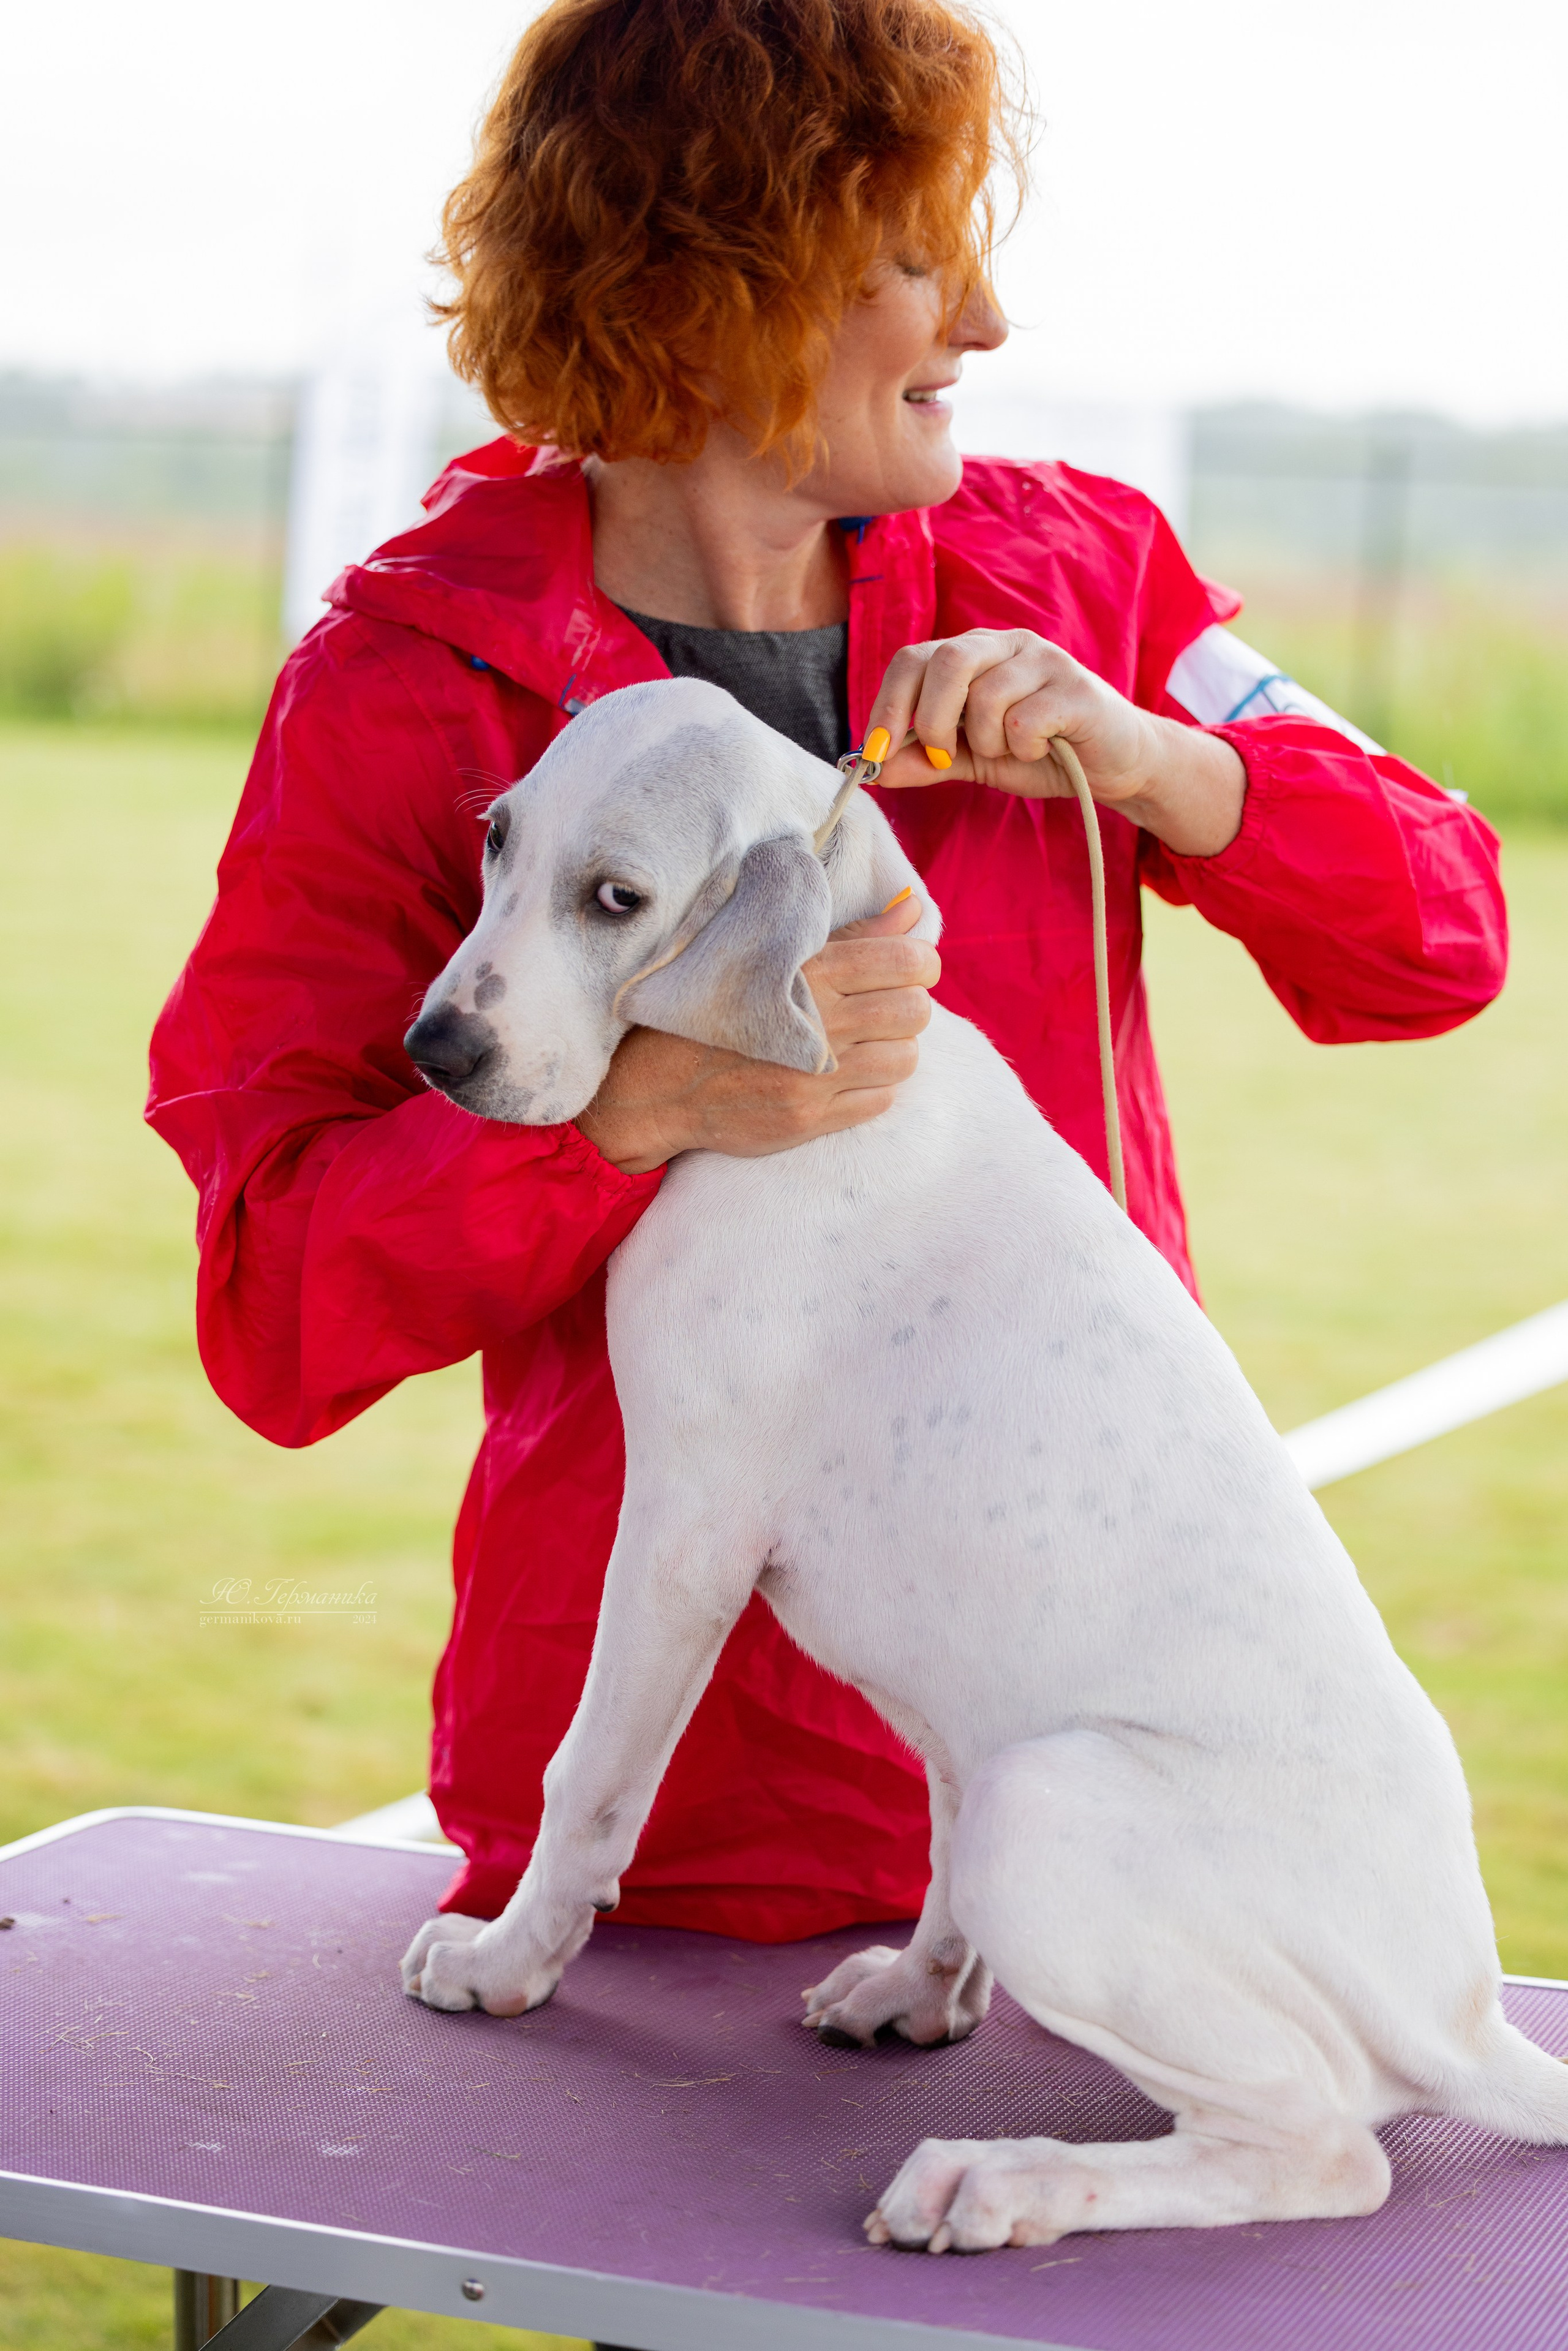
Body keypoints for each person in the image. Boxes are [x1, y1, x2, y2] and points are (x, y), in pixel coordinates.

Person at [148, 0, 1506, 1940]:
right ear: (715, 279)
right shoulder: (394, 690)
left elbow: (1444, 939)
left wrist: (1166, 764)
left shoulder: (1092, 577)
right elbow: (277, 1310)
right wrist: (640, 1114)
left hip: (1103, 1770)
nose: (986, 322)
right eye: (913, 253)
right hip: (666, 1827)